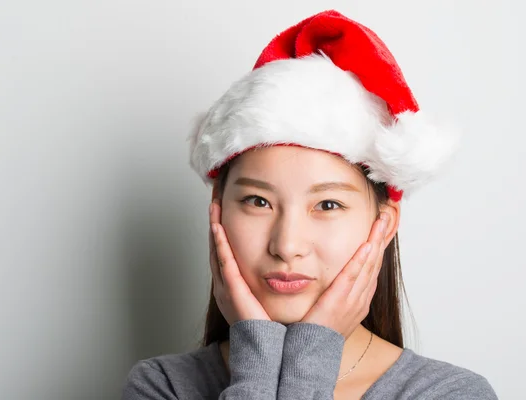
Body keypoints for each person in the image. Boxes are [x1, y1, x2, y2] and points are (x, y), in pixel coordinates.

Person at [122, 9, 497, 400]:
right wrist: (267, 359)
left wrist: (310, 355)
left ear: (383, 226)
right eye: (257, 201)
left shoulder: (449, 393)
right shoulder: (163, 386)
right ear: (217, 210)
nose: (287, 245)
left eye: (328, 205)